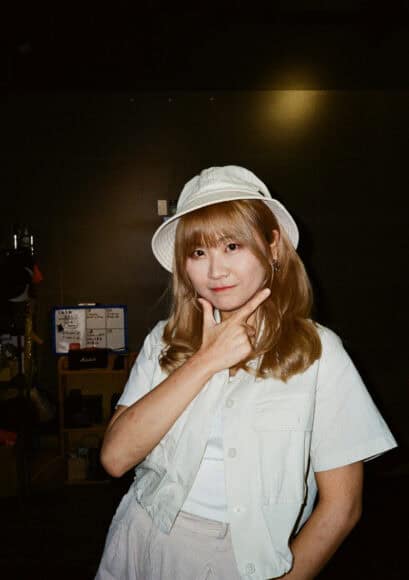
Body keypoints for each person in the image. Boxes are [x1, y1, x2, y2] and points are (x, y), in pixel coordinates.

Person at [95, 166, 397, 580]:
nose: (215, 271)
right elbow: (115, 458)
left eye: (232, 246)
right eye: (198, 253)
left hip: (238, 559)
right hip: (141, 534)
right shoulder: (165, 340)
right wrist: (206, 360)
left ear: (273, 246)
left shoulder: (318, 352)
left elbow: (342, 507)